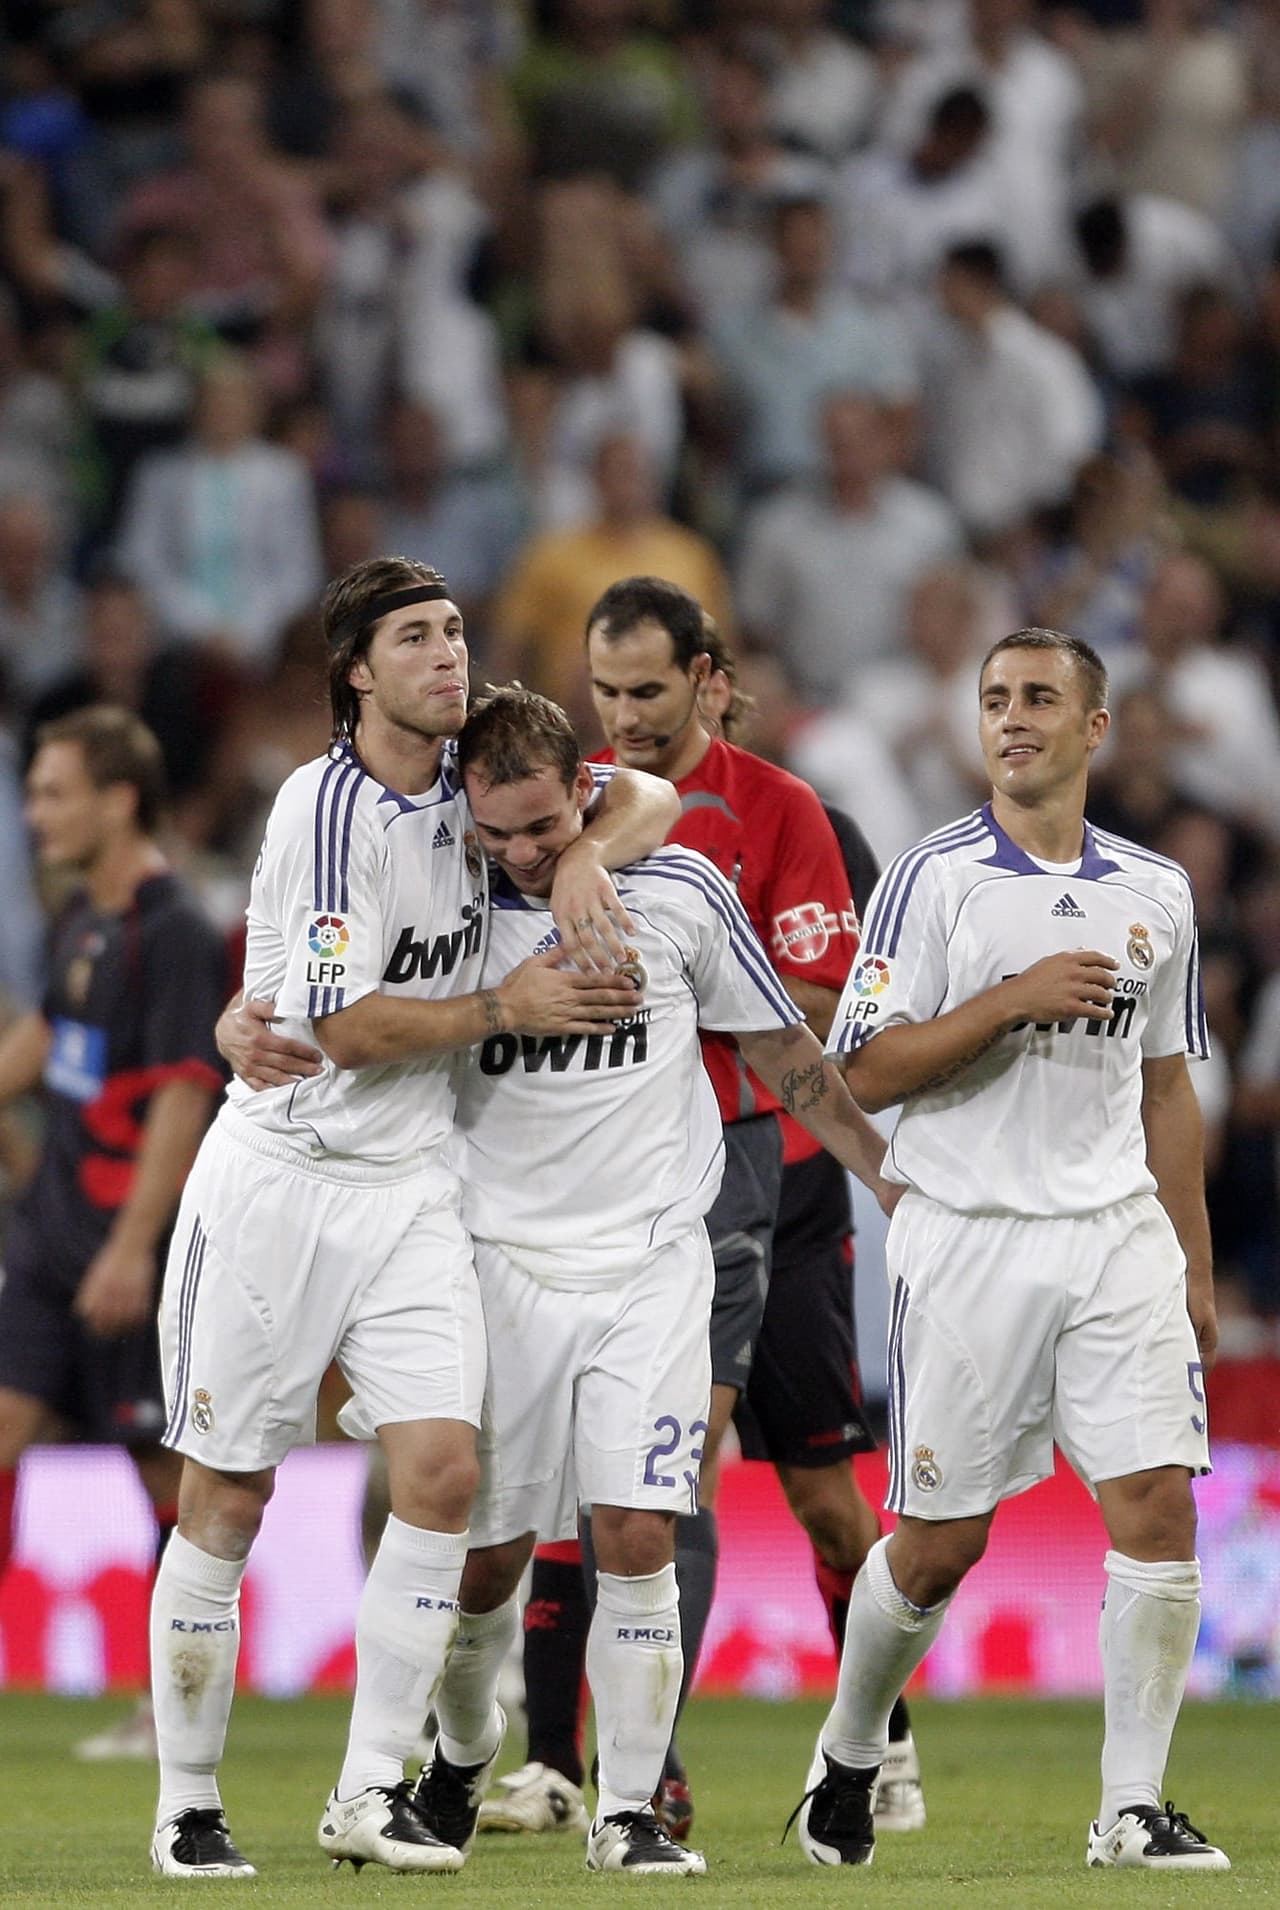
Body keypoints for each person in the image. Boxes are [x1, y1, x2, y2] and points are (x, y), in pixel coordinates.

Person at [146, 556, 676, 1880]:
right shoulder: (328, 812)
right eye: (416, 637)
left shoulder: (476, 772)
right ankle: (187, 1804)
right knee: (228, 1490)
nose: (449, 653)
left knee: (442, 1474)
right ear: (355, 672)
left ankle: (369, 1789)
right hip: (284, 1177)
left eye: (452, 629)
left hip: (415, 1188)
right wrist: (505, 1006)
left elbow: (654, 786)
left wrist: (580, 863)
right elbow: (337, 1024)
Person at [400, 685, 893, 1876]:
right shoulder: (441, 914)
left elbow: (782, 1048)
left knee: (636, 1529)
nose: (520, 854)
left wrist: (890, 1178)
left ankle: (625, 1807)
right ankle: (464, 1752)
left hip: (653, 1264)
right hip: (500, 1267)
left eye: (542, 828)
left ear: (585, 793)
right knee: (487, 1556)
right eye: (495, 832)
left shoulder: (679, 894)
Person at [488, 577, 925, 1840]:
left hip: (776, 1176)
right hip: (648, 1181)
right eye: (604, 691)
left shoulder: (787, 811)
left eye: (647, 691)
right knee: (644, 1473)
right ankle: (611, 1770)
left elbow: (825, 995)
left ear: (710, 680)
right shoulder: (563, 819)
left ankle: (874, 1731)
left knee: (824, 1501)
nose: (620, 717)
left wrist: (682, 965)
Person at [790, 627, 1228, 1873]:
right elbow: (862, 1069)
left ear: (1095, 727)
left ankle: (1129, 1806)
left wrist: (1188, 1262)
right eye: (993, 698)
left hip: (1112, 1234)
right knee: (939, 1542)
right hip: (970, 1234)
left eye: (1039, 697)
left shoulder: (1154, 889)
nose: (1011, 717)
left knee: (1154, 1500)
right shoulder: (931, 879)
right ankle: (850, 1743)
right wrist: (1004, 998)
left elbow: (1164, 1089)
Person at [0, 707, 227, 1758]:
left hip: (131, 1243)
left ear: (117, 796)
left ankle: (164, 1706)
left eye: (53, 792)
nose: (35, 812)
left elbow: (185, 1090)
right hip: (50, 1240)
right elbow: (52, 1034)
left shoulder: (174, 927)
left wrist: (137, 1246)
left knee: (166, 1483)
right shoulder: (76, 917)